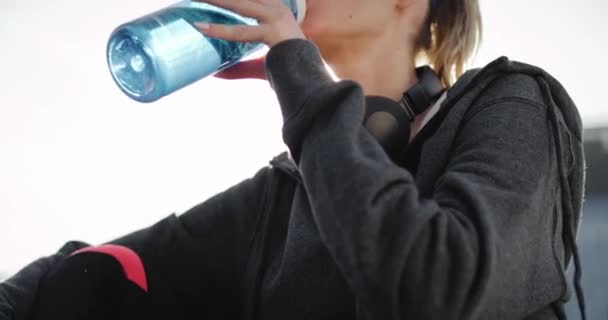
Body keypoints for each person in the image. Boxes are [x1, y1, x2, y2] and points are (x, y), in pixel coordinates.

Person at [0, 0, 587, 319]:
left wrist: (303, 85)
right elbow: (95, 272)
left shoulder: (509, 102)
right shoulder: (286, 192)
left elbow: (439, 292)